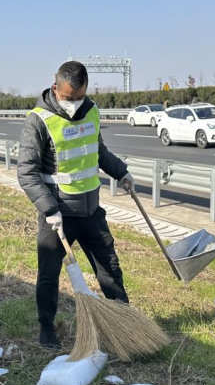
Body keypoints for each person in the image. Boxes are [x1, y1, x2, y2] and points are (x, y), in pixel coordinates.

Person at [18, 61, 135, 348]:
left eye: (80, 97)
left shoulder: (91, 110)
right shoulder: (39, 120)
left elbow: (97, 151)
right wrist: (48, 209)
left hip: (91, 210)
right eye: (70, 98)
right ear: (55, 88)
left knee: (110, 267)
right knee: (49, 275)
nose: (75, 104)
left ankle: (126, 322)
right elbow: (27, 172)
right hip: (58, 214)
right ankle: (47, 328)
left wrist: (121, 171)